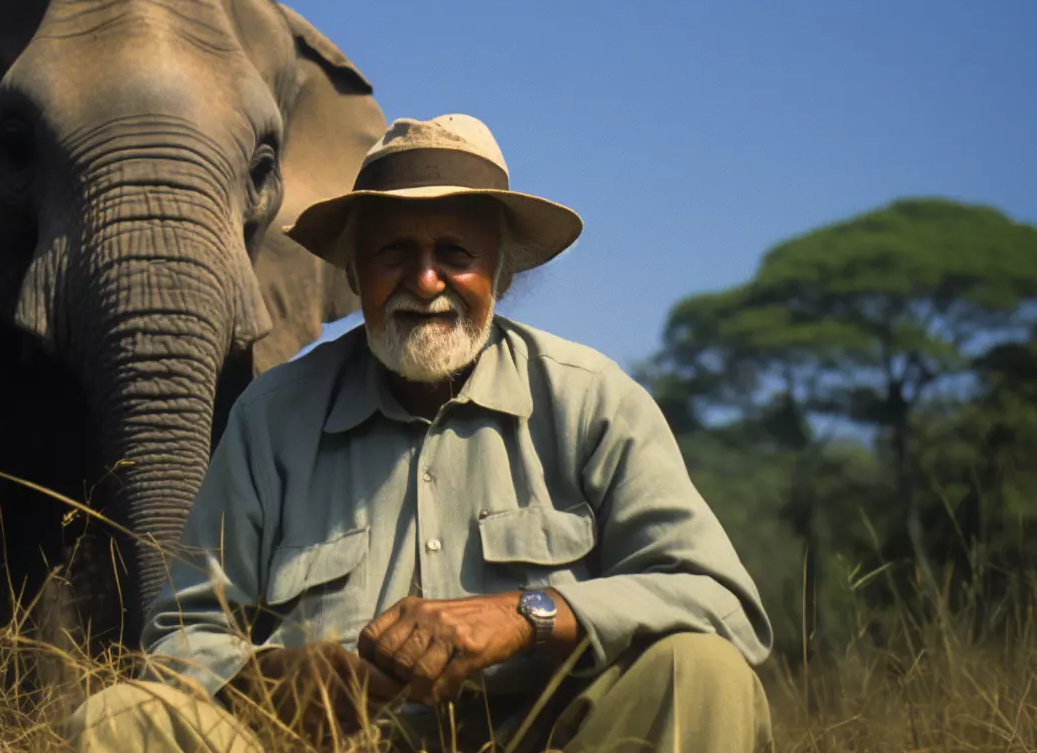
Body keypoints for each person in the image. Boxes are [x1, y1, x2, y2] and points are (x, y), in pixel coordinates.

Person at [67, 114, 775, 752]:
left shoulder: (591, 399)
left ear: (499, 271)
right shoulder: (272, 417)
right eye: (395, 253)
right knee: (118, 720)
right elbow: (179, 640)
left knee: (703, 670)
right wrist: (272, 679)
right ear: (354, 273)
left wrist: (526, 613)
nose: (426, 279)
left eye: (455, 254)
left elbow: (721, 602)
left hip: (555, 741)